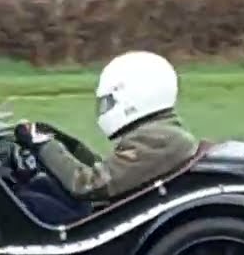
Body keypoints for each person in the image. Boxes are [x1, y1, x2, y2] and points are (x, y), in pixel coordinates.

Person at [12, 50, 201, 225]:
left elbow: (87, 184)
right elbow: (109, 171)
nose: (105, 109)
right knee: (43, 185)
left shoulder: (158, 140)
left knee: (26, 201)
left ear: (132, 99)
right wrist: (65, 142)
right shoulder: (164, 132)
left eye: (109, 102)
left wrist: (43, 144)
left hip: (112, 223)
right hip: (122, 212)